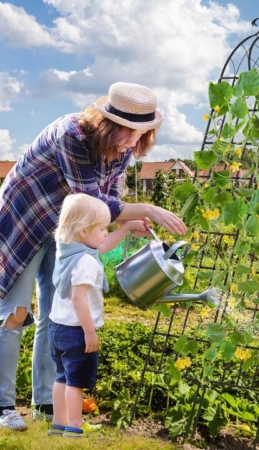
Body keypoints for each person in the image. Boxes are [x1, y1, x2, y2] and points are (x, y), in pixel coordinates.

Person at [0, 81, 187, 431]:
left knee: (58, 312)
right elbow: (93, 202)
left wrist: (131, 219)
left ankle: (44, 402)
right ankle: (3, 405)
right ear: (107, 123)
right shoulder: (71, 134)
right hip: (26, 218)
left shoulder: (125, 149)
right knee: (15, 312)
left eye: (141, 133)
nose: (133, 141)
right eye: (128, 132)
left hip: (69, 228)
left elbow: (110, 199)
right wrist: (146, 208)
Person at [48, 193, 142, 437]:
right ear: (83, 232)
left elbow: (101, 245)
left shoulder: (67, 249)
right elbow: (79, 299)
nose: (104, 233)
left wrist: (129, 226)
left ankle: (60, 423)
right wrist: (90, 332)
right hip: (77, 330)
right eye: (101, 228)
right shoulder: (86, 263)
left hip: (56, 327)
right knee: (76, 381)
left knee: (62, 377)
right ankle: (74, 426)